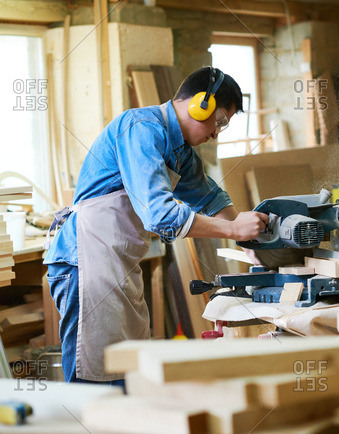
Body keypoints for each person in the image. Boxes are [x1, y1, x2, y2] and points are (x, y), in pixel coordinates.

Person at [43, 66, 268, 385]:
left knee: (126, 372)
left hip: (114, 264)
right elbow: (159, 215)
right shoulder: (141, 128)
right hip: (84, 261)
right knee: (93, 379)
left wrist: (253, 244)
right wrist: (233, 231)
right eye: (219, 121)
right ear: (199, 104)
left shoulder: (182, 154)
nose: (217, 133)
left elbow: (211, 200)